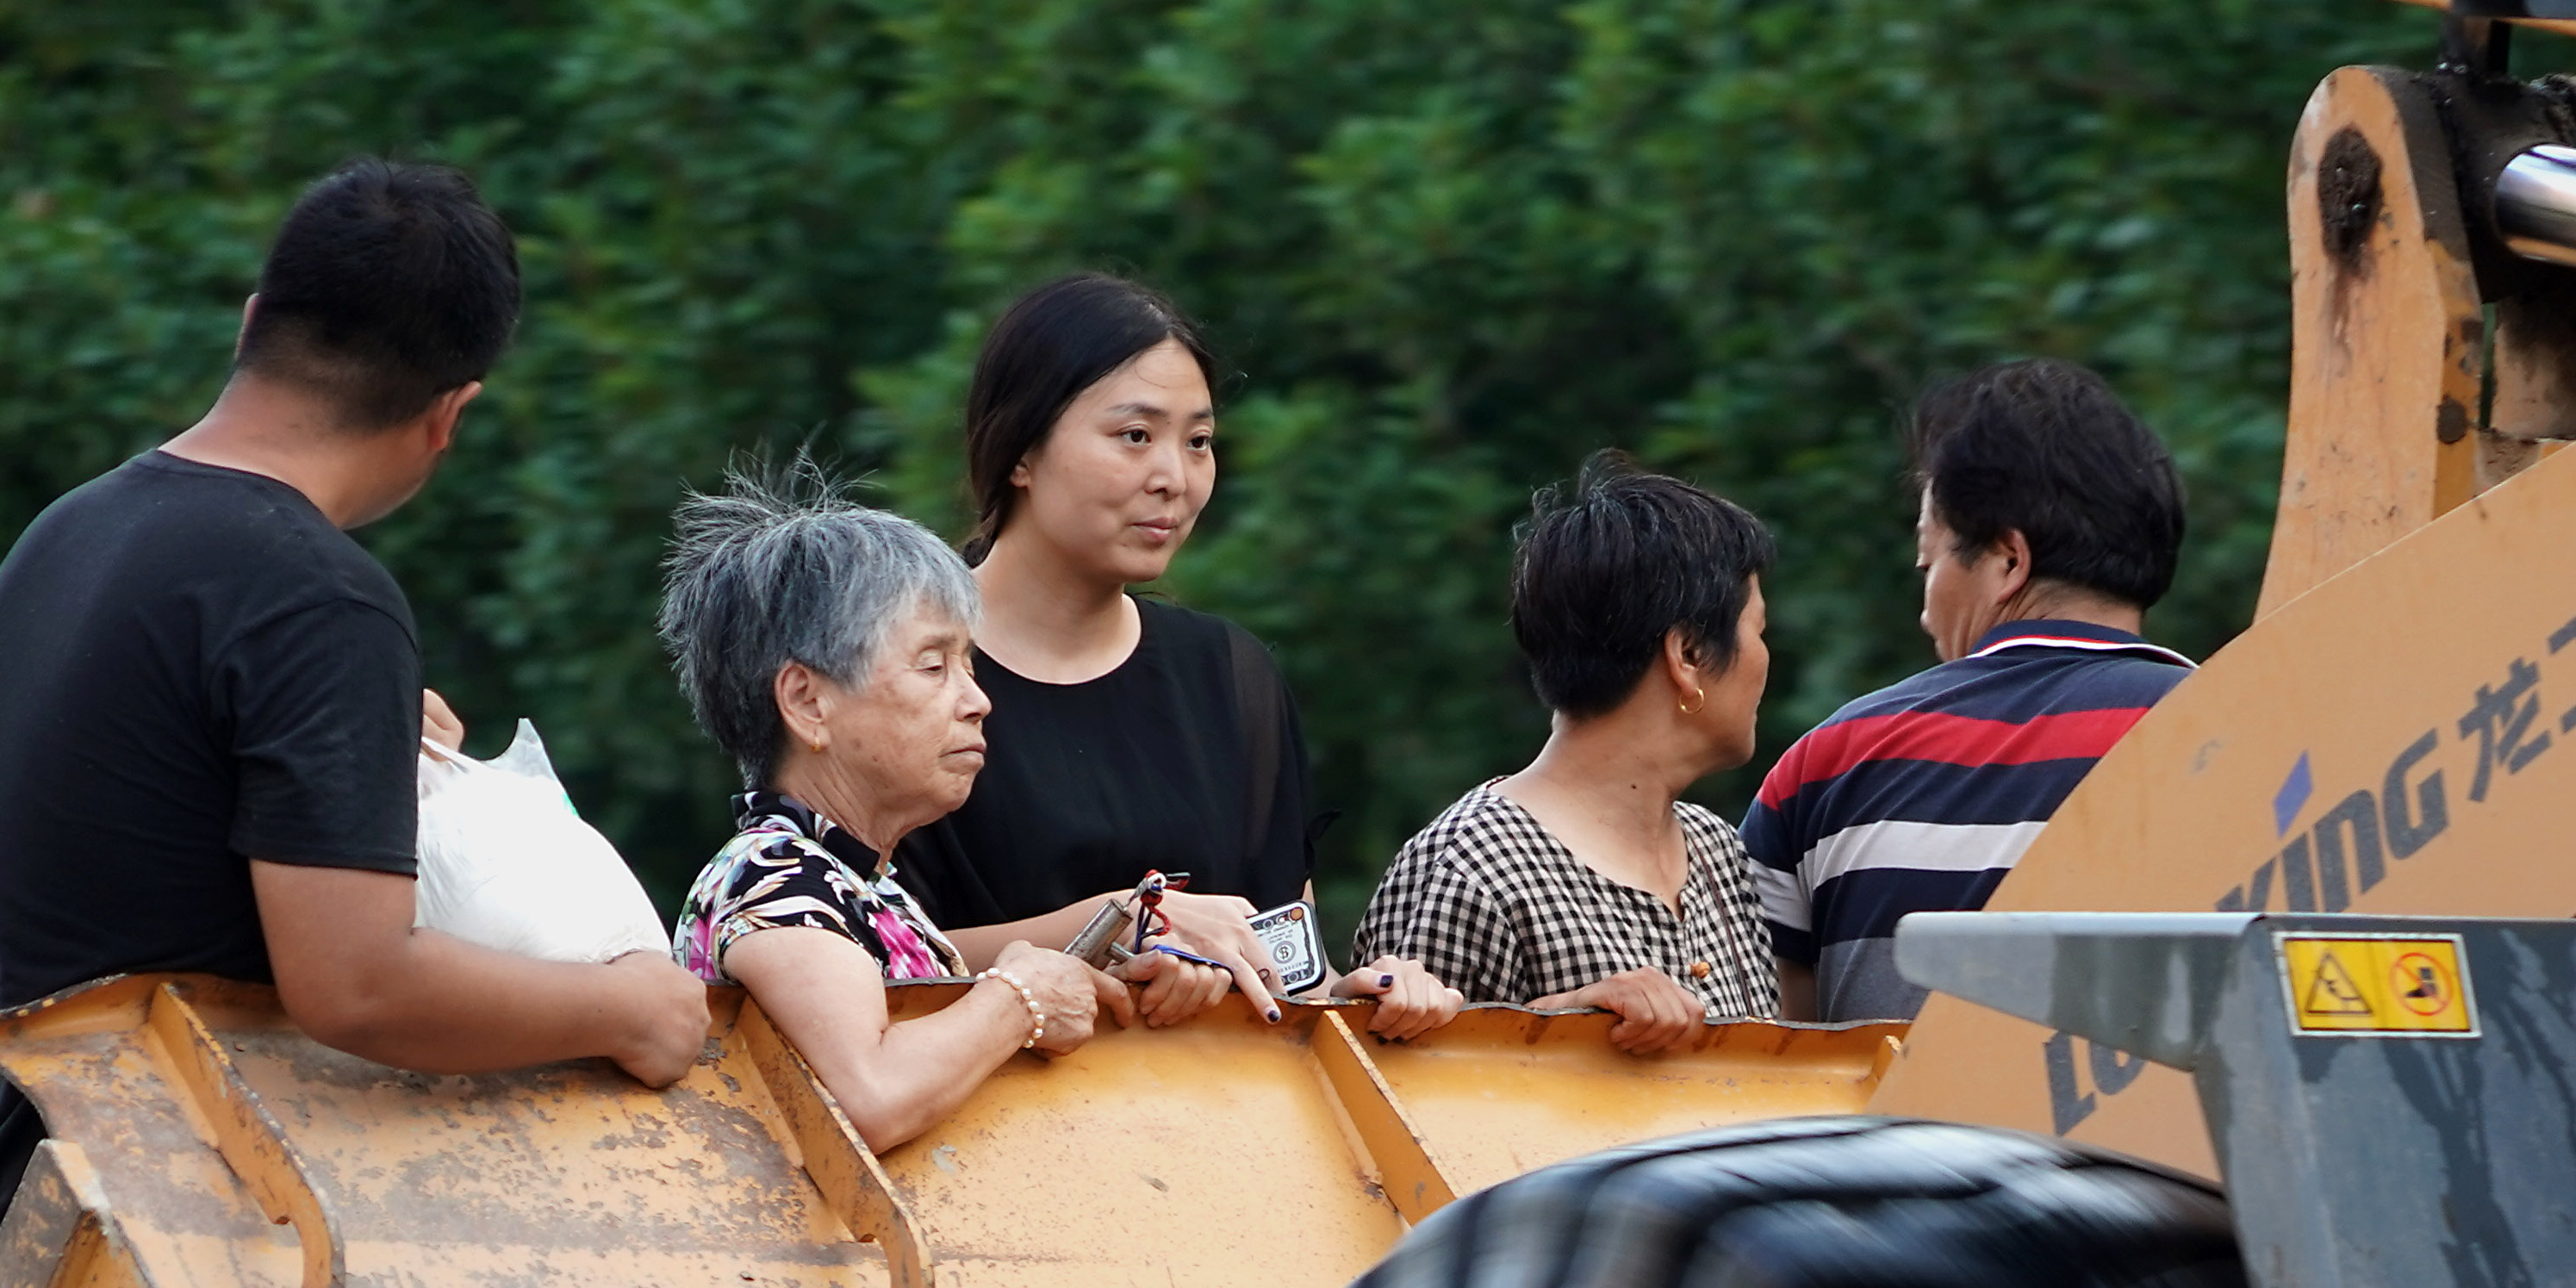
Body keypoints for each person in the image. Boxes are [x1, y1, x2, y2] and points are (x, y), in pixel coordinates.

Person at [0, 158, 711, 1288]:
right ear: (452, 412)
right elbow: (357, 983)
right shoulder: (312, 598)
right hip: (162, 1275)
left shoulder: (76, 532)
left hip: (11, 1230)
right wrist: (631, 1009)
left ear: (253, 325)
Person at [895, 272, 1450, 1038]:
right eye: (1135, 437)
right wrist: (1114, 924)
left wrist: (1370, 994)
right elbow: (865, 959)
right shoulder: (897, 669)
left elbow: (1289, 972)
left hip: (1216, 1130)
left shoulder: (1229, 676)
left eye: (1198, 442)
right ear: (1019, 450)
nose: (1175, 479)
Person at [660, 464, 1117, 1153]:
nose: (976, 700)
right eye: (933, 667)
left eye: (968, 665)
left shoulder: (856, 883)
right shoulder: (775, 879)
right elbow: (867, 1099)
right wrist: (1016, 997)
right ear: (808, 702)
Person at [1741, 358, 2197, 1024]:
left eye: (1930, 563)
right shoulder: (2249, 734)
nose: (1926, 612)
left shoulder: (1830, 766)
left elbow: (1761, 1063)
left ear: (2008, 560)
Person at [1348, 455, 1781, 1054]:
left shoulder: (1716, 852)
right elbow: (1394, 1102)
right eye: (1758, 630)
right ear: (1687, 655)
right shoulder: (1470, 869)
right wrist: (1557, 1026)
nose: (1765, 658)